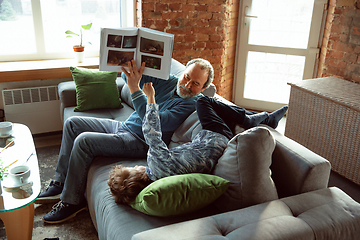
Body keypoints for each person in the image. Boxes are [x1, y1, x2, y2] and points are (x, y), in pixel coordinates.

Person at [37, 58, 215, 224]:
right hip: (124, 125)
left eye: (195, 84)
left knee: (84, 141)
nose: (187, 84)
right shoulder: (170, 81)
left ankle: (72, 201)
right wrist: (133, 66)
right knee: (73, 124)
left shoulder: (192, 103)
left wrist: (135, 89)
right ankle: (60, 182)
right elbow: (127, 75)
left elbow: (155, 120)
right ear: (183, 72)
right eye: (187, 77)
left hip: (140, 141)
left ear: (203, 88)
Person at [108, 82, 288, 204]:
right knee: (203, 101)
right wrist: (150, 97)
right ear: (137, 172)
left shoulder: (164, 183)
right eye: (131, 169)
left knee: (216, 113)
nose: (135, 166)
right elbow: (151, 130)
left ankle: (254, 118)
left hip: (216, 145)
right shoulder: (155, 163)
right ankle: (253, 121)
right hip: (215, 136)